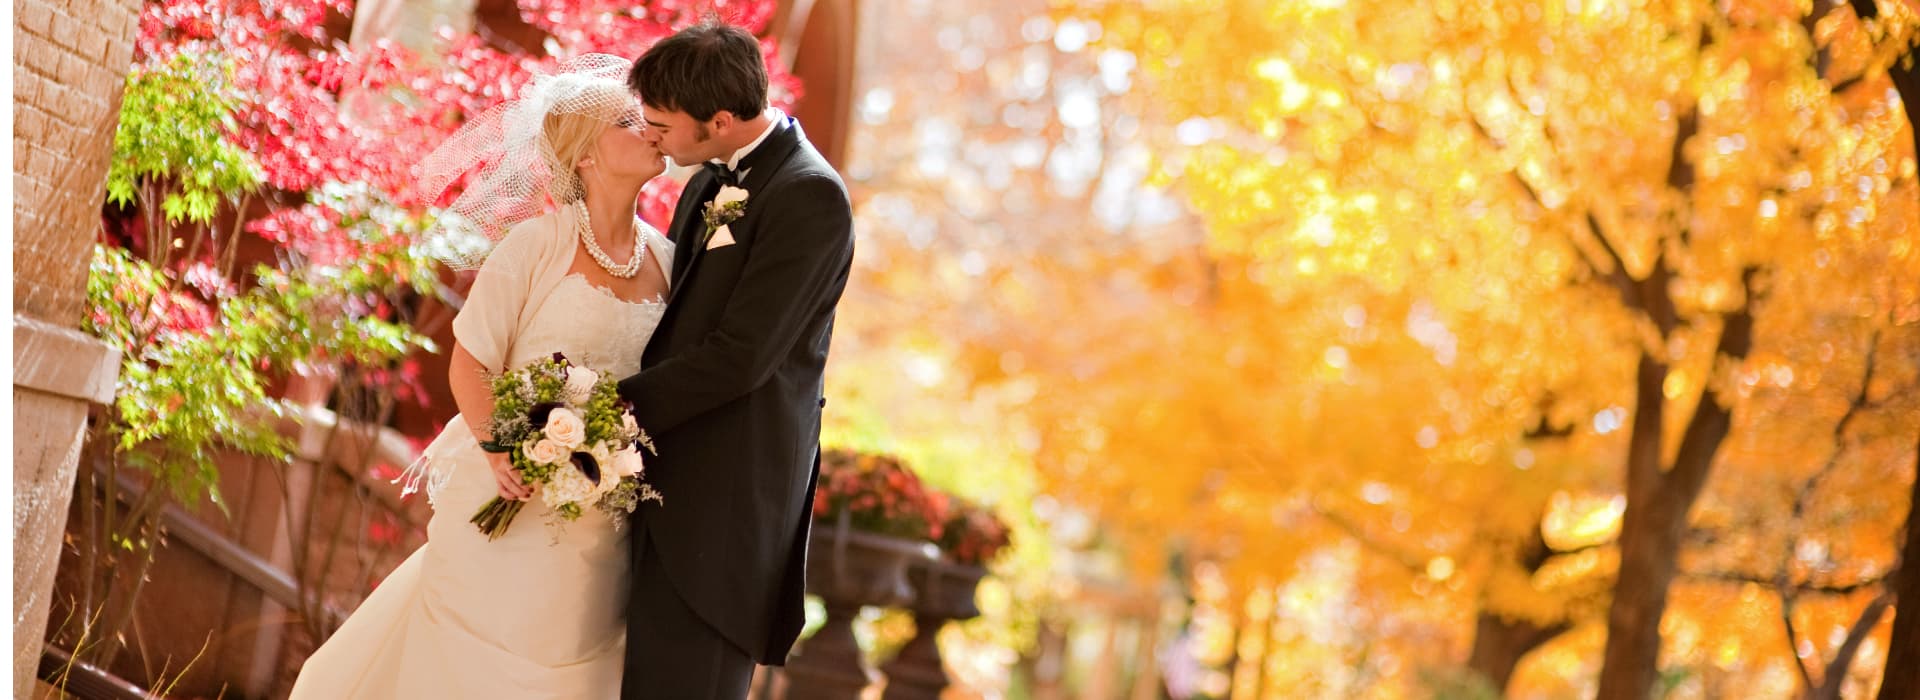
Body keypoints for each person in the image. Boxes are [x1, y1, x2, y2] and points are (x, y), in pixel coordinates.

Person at [289, 55, 673, 699]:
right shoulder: (533, 247)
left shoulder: (669, 259)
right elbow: (469, 361)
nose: (652, 130)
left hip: (605, 516)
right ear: (586, 156)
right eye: (628, 123)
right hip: (512, 493)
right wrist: (503, 448)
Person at [614, 20, 856, 699]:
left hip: (724, 509)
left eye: (662, 125)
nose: (652, 137)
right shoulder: (704, 180)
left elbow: (741, 357)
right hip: (662, 484)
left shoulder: (810, 195)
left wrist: (607, 410)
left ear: (719, 121)